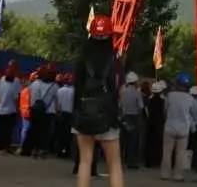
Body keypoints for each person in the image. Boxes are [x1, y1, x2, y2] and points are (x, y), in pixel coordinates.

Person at [72, 15, 126, 187]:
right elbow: (120, 91)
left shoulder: (82, 59)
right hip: (107, 116)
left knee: (85, 162)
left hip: (84, 114)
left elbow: (77, 87)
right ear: (110, 35)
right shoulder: (115, 61)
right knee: (114, 165)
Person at [163, 73, 194, 181]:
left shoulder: (170, 95)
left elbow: (165, 110)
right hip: (184, 129)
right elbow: (192, 113)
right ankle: (178, 175)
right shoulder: (190, 98)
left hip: (170, 127)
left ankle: (165, 174)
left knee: (167, 152)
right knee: (180, 153)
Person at [22, 67, 59, 157]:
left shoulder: (34, 84)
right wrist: (58, 111)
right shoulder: (55, 86)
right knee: (44, 132)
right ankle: (40, 149)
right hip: (48, 112)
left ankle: (27, 150)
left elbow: (29, 93)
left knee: (32, 130)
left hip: (34, 109)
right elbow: (57, 101)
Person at [0, 62, 23, 152]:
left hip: (1, 109)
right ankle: (5, 146)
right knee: (7, 130)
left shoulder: (3, 79)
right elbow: (16, 97)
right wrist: (18, 109)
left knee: (1, 128)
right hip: (11, 110)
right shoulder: (16, 81)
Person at [119, 71, 144, 169]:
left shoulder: (123, 91)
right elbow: (141, 107)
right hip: (134, 117)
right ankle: (131, 162)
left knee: (122, 140)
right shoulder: (137, 93)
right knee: (133, 141)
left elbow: (120, 105)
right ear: (135, 81)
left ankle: (120, 161)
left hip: (124, 117)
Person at [146, 80, 167, 169]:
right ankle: (158, 160)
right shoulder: (163, 101)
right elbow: (165, 112)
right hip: (159, 123)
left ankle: (150, 162)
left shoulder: (149, 100)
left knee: (150, 143)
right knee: (159, 142)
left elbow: (147, 111)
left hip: (150, 123)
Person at [55, 72, 75, 159]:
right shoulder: (74, 91)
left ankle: (59, 151)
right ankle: (67, 151)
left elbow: (57, 105)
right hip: (71, 115)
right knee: (69, 135)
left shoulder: (59, 90)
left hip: (61, 114)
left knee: (60, 134)